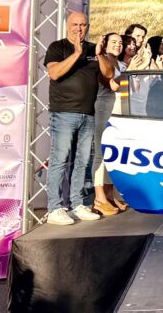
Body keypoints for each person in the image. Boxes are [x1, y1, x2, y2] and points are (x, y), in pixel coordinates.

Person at [44, 12, 114, 225]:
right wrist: (76, 53)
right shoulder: (58, 47)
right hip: (64, 113)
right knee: (60, 160)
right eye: (75, 24)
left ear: (88, 27)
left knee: (82, 162)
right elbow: (54, 73)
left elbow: (108, 75)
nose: (79, 29)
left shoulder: (94, 50)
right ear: (68, 26)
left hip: (88, 114)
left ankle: (76, 204)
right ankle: (54, 208)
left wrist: (100, 55)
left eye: (83, 25)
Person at [91, 33, 128, 216]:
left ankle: (109, 194)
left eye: (120, 42)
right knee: (100, 153)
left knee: (112, 154)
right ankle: (99, 198)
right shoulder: (101, 60)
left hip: (118, 111)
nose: (118, 45)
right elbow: (112, 84)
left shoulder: (122, 64)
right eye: (114, 42)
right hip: (103, 108)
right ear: (105, 45)